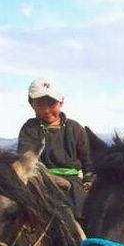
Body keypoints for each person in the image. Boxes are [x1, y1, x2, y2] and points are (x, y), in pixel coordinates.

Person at [17, 78, 94, 220]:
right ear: (32, 104)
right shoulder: (30, 129)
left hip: (73, 186)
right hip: (40, 183)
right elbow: (26, 160)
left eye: (51, 103)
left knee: (88, 217)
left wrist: (89, 180)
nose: (46, 109)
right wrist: (48, 178)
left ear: (61, 102)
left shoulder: (75, 128)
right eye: (40, 104)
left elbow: (88, 161)